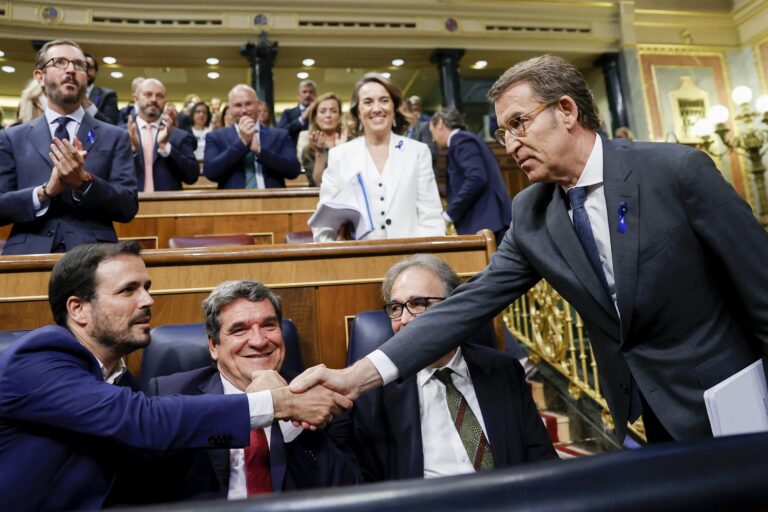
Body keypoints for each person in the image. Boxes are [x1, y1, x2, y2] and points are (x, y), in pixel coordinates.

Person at [292, 54, 768, 445]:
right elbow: (465, 307)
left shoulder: (677, 172)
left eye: (519, 123)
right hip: (647, 417)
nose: (511, 143)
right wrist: (357, 375)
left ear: (566, 110)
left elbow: (760, 291)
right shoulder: (533, 213)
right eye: (503, 132)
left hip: (734, 401)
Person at [0, 241, 352, 510]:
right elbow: (144, 421)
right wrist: (278, 402)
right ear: (78, 309)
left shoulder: (120, 378)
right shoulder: (40, 357)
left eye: (146, 287)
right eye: (128, 290)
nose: (149, 300)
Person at [144, 280, 362, 502]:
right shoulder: (171, 394)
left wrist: (289, 410)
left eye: (269, 325)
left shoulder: (323, 396)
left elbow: (348, 491)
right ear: (213, 346)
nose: (259, 341)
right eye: (239, 330)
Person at [352, 255, 557, 482]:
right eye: (396, 308)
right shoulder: (377, 393)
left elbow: (542, 460)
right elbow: (364, 481)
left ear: (454, 310)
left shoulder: (503, 370)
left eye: (418, 304)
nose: (405, 320)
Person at [0, 39, 138, 255]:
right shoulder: (11, 137)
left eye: (78, 64)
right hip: (28, 253)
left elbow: (127, 207)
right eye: (60, 62)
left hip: (95, 256)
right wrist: (44, 192)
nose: (71, 70)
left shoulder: (115, 136)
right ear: (40, 77)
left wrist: (84, 182)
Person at [311, 73, 445, 241]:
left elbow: (431, 218)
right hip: (359, 262)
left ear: (394, 108)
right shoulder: (339, 156)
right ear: (358, 111)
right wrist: (338, 262)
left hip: (411, 260)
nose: (376, 108)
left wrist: (424, 262)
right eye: (367, 102)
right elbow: (324, 224)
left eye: (384, 100)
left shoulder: (417, 152)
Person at [429, 107, 511, 246]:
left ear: (440, 123)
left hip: (488, 224)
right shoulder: (465, 140)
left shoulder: (461, 140)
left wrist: (449, 214)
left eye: (432, 132)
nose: (433, 139)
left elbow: (476, 178)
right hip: (489, 223)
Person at [204, 84, 300, 189]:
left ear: (257, 105)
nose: (244, 110)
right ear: (230, 108)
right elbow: (210, 173)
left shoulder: (280, 135)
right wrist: (242, 143)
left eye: (248, 104)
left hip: (273, 201)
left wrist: (260, 152)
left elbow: (293, 171)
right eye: (238, 105)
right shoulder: (215, 137)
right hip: (232, 202)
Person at [124, 78, 199, 191]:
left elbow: (192, 177)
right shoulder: (121, 134)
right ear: (136, 98)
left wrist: (166, 148)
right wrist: (132, 150)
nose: (154, 99)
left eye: (159, 96)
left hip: (168, 205)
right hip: (129, 205)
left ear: (165, 101)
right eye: (148, 94)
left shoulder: (180, 136)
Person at [300, 92, 348, 187]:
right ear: (315, 118)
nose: (328, 115)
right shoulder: (308, 150)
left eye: (333, 111)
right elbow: (318, 184)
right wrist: (319, 153)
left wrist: (341, 150)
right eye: (323, 111)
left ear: (339, 116)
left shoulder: (351, 143)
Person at [278, 79, 318, 146]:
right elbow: (281, 133)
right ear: (298, 96)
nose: (308, 95)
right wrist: (302, 118)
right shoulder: (288, 113)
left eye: (311, 92)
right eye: (304, 92)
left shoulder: (320, 114)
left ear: (316, 96)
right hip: (292, 152)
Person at [83, 52, 119, 124]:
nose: (86, 71)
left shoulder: (108, 95)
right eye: (83, 66)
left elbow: (111, 124)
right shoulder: (64, 92)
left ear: (95, 71)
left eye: (89, 67)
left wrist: (88, 105)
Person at [190, 100, 212, 166]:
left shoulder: (212, 132)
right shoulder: (187, 131)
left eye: (204, 112)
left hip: (208, 165)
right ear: (192, 115)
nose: (201, 114)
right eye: (198, 112)